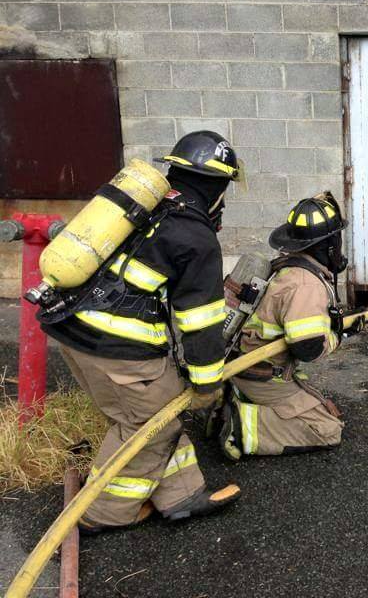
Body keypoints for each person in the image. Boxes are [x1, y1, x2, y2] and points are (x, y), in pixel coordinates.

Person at [42, 131, 242, 533]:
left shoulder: (142, 209)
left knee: (154, 413)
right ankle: (104, 513)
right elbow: (200, 324)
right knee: (150, 425)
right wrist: (207, 385)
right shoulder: (196, 236)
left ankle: (182, 495)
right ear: (218, 188)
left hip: (71, 327)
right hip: (118, 347)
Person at [217, 194, 348, 459]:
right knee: (327, 428)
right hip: (262, 375)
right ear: (330, 245)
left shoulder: (286, 266)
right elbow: (307, 348)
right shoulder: (305, 283)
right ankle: (240, 424)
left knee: (319, 403)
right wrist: (337, 335)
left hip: (244, 365)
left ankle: (234, 398)